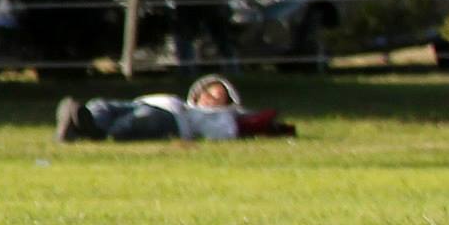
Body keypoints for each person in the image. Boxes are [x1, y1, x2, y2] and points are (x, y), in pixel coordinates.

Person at [53, 74, 295, 142]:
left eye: (218, 97)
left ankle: (80, 129)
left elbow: (239, 128)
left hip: (170, 118)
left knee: (124, 127)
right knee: (100, 105)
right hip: (147, 102)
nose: (212, 99)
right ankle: (80, 123)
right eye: (208, 93)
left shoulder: (224, 117)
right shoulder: (186, 102)